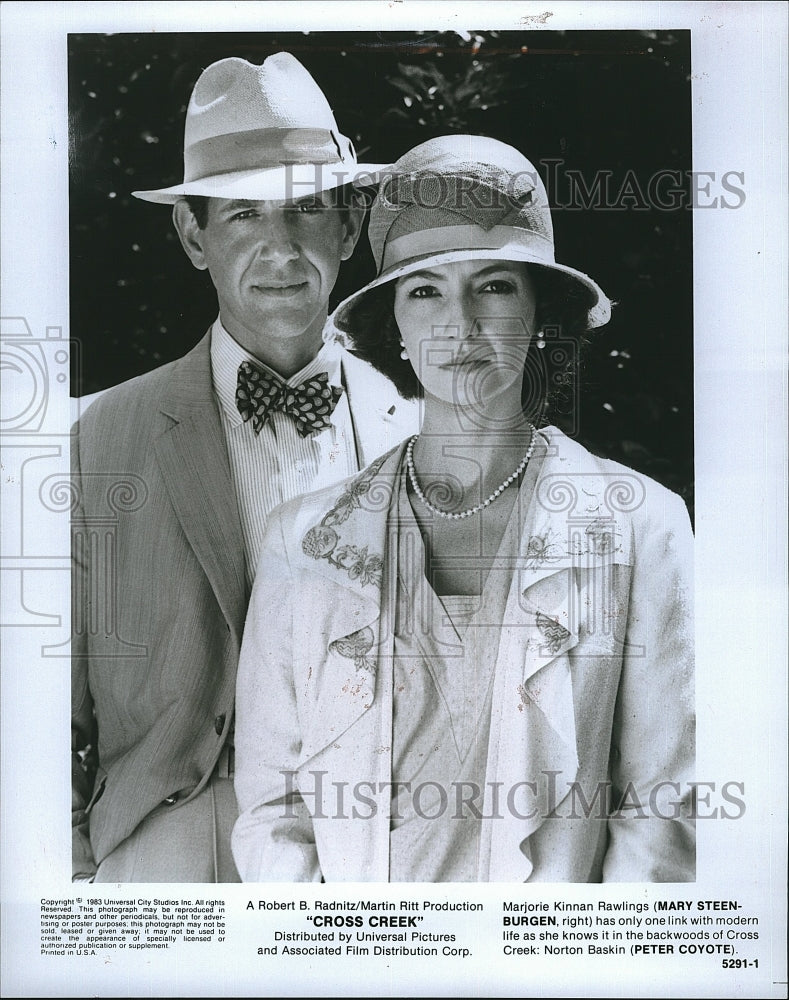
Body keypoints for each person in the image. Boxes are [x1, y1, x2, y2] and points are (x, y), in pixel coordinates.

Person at [231, 134, 695, 883]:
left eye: (494, 286)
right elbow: (273, 806)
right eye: (425, 291)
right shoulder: (303, 540)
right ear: (396, 329)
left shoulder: (641, 524)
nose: (460, 325)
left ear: (540, 310)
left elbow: (664, 802)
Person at [71, 52, 418, 882]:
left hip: (368, 848)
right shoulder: (93, 440)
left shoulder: (412, 429)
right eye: (242, 218)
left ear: (346, 227)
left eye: (306, 213)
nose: (280, 250)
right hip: (167, 838)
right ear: (193, 236)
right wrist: (68, 868)